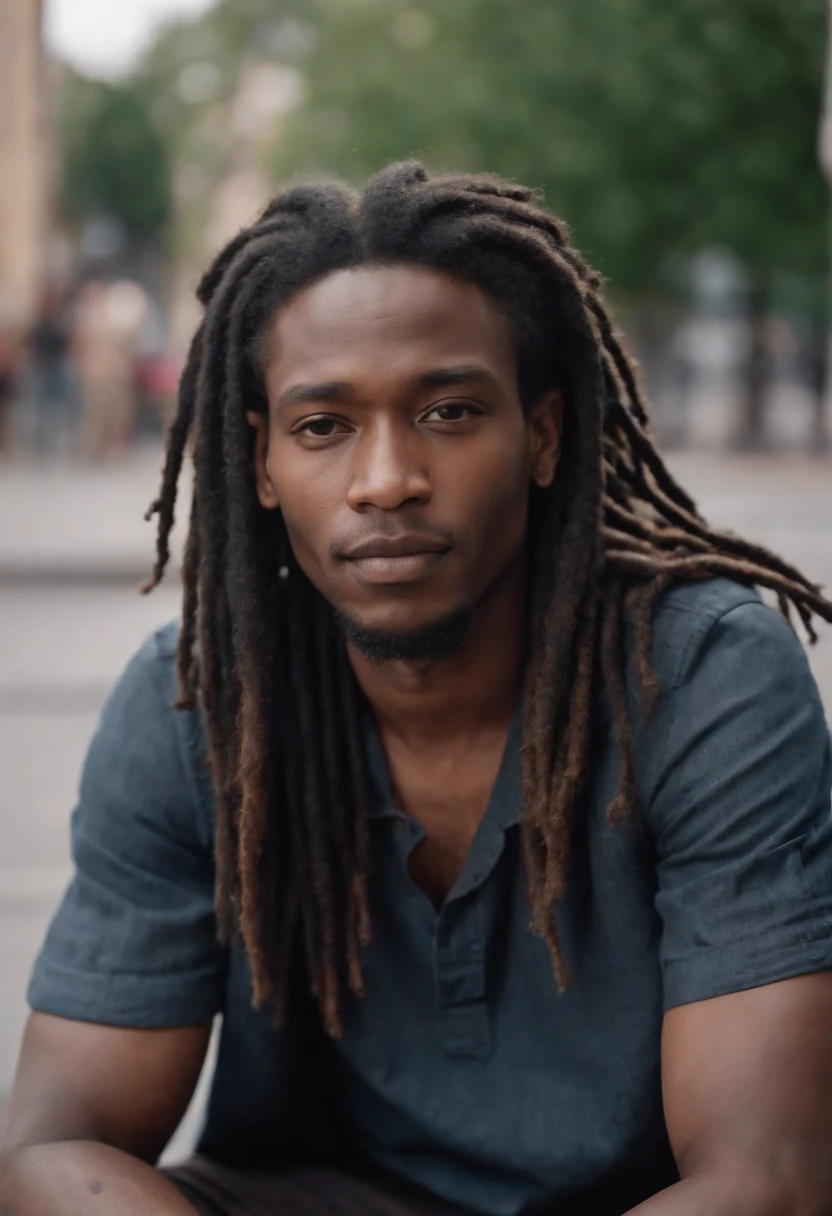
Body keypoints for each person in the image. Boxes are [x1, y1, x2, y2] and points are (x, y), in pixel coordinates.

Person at [2, 163, 831, 1216]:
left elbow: (770, 1180)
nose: (385, 477)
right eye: (322, 426)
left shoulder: (704, 677)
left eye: (447, 410)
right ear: (258, 463)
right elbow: (56, 1149)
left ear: (541, 435)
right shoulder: (194, 705)